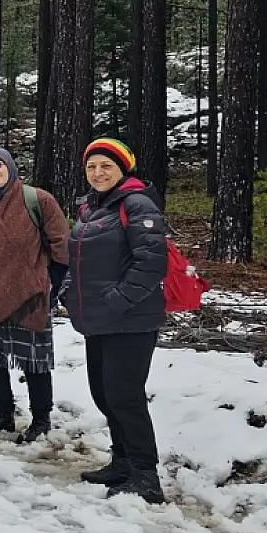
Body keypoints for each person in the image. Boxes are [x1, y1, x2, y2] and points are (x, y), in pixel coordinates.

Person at [66, 139, 169, 503]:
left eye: (106, 166)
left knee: (125, 396)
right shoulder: (89, 208)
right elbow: (74, 258)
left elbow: (152, 263)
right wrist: (67, 290)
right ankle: (122, 461)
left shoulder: (137, 204)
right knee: (104, 394)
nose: (98, 173)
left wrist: (118, 300)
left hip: (132, 320)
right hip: (98, 318)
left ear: (123, 168)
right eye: (92, 166)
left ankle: (145, 475)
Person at [0, 146, 70, 443]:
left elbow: (61, 244)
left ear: (9, 166)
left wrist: (50, 284)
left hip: (29, 294)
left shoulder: (38, 200)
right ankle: (3, 413)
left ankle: (41, 418)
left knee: (34, 360)